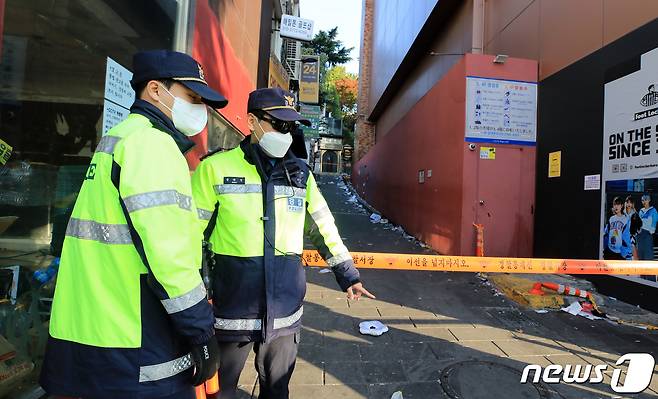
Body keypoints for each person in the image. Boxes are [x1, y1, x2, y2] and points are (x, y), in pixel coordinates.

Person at [40, 50, 228, 399]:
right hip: (135, 337)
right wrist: (202, 332)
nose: (200, 109)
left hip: (96, 331)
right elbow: (168, 256)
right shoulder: (153, 145)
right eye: (192, 97)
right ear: (156, 90)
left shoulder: (121, 137)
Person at [191, 87, 374, 399]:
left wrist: (348, 274)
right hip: (232, 309)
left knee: (277, 390)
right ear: (252, 121)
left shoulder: (300, 174)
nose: (285, 132)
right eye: (277, 123)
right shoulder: (215, 169)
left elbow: (322, 226)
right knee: (221, 391)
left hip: (285, 311)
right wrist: (191, 299)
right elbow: (189, 234)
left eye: (291, 126)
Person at [637, 194, 658, 260]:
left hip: (648, 234)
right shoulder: (641, 211)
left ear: (649, 200)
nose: (644, 202)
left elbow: (655, 221)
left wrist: (652, 230)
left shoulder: (653, 210)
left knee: (648, 254)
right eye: (642, 200)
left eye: (645, 200)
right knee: (640, 254)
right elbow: (638, 222)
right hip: (640, 235)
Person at [625, 195, 642, 260]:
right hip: (623, 236)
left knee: (634, 252)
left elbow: (640, 224)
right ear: (625, 203)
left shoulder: (635, 214)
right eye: (628, 202)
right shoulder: (623, 213)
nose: (629, 204)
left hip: (632, 236)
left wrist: (636, 232)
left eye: (631, 203)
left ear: (633, 204)